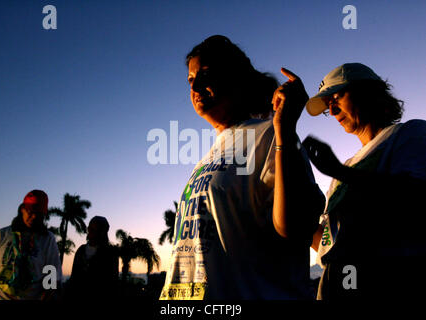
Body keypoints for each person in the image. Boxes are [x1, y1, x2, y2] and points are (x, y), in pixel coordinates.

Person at [160, 35, 325, 300]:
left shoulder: (270, 134)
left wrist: (284, 131)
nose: (196, 85)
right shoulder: (210, 155)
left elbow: (295, 228)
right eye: (191, 79)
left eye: (206, 74)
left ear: (236, 77)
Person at [302, 63, 426, 299]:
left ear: (370, 92)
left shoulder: (411, 134)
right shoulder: (347, 166)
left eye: (337, 97)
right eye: (329, 106)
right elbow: (329, 246)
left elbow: (415, 199)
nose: (333, 111)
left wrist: (339, 171)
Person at [0, 190, 63, 300]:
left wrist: (47, 295)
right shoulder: (1, 235)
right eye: (30, 212)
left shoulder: (47, 239)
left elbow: (51, 277)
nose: (34, 217)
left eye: (39, 214)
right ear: (22, 209)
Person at [66, 216, 119, 301]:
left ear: (102, 232)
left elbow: (112, 282)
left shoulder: (110, 253)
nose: (90, 231)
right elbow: (74, 276)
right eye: (90, 227)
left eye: (94, 229)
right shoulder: (81, 250)